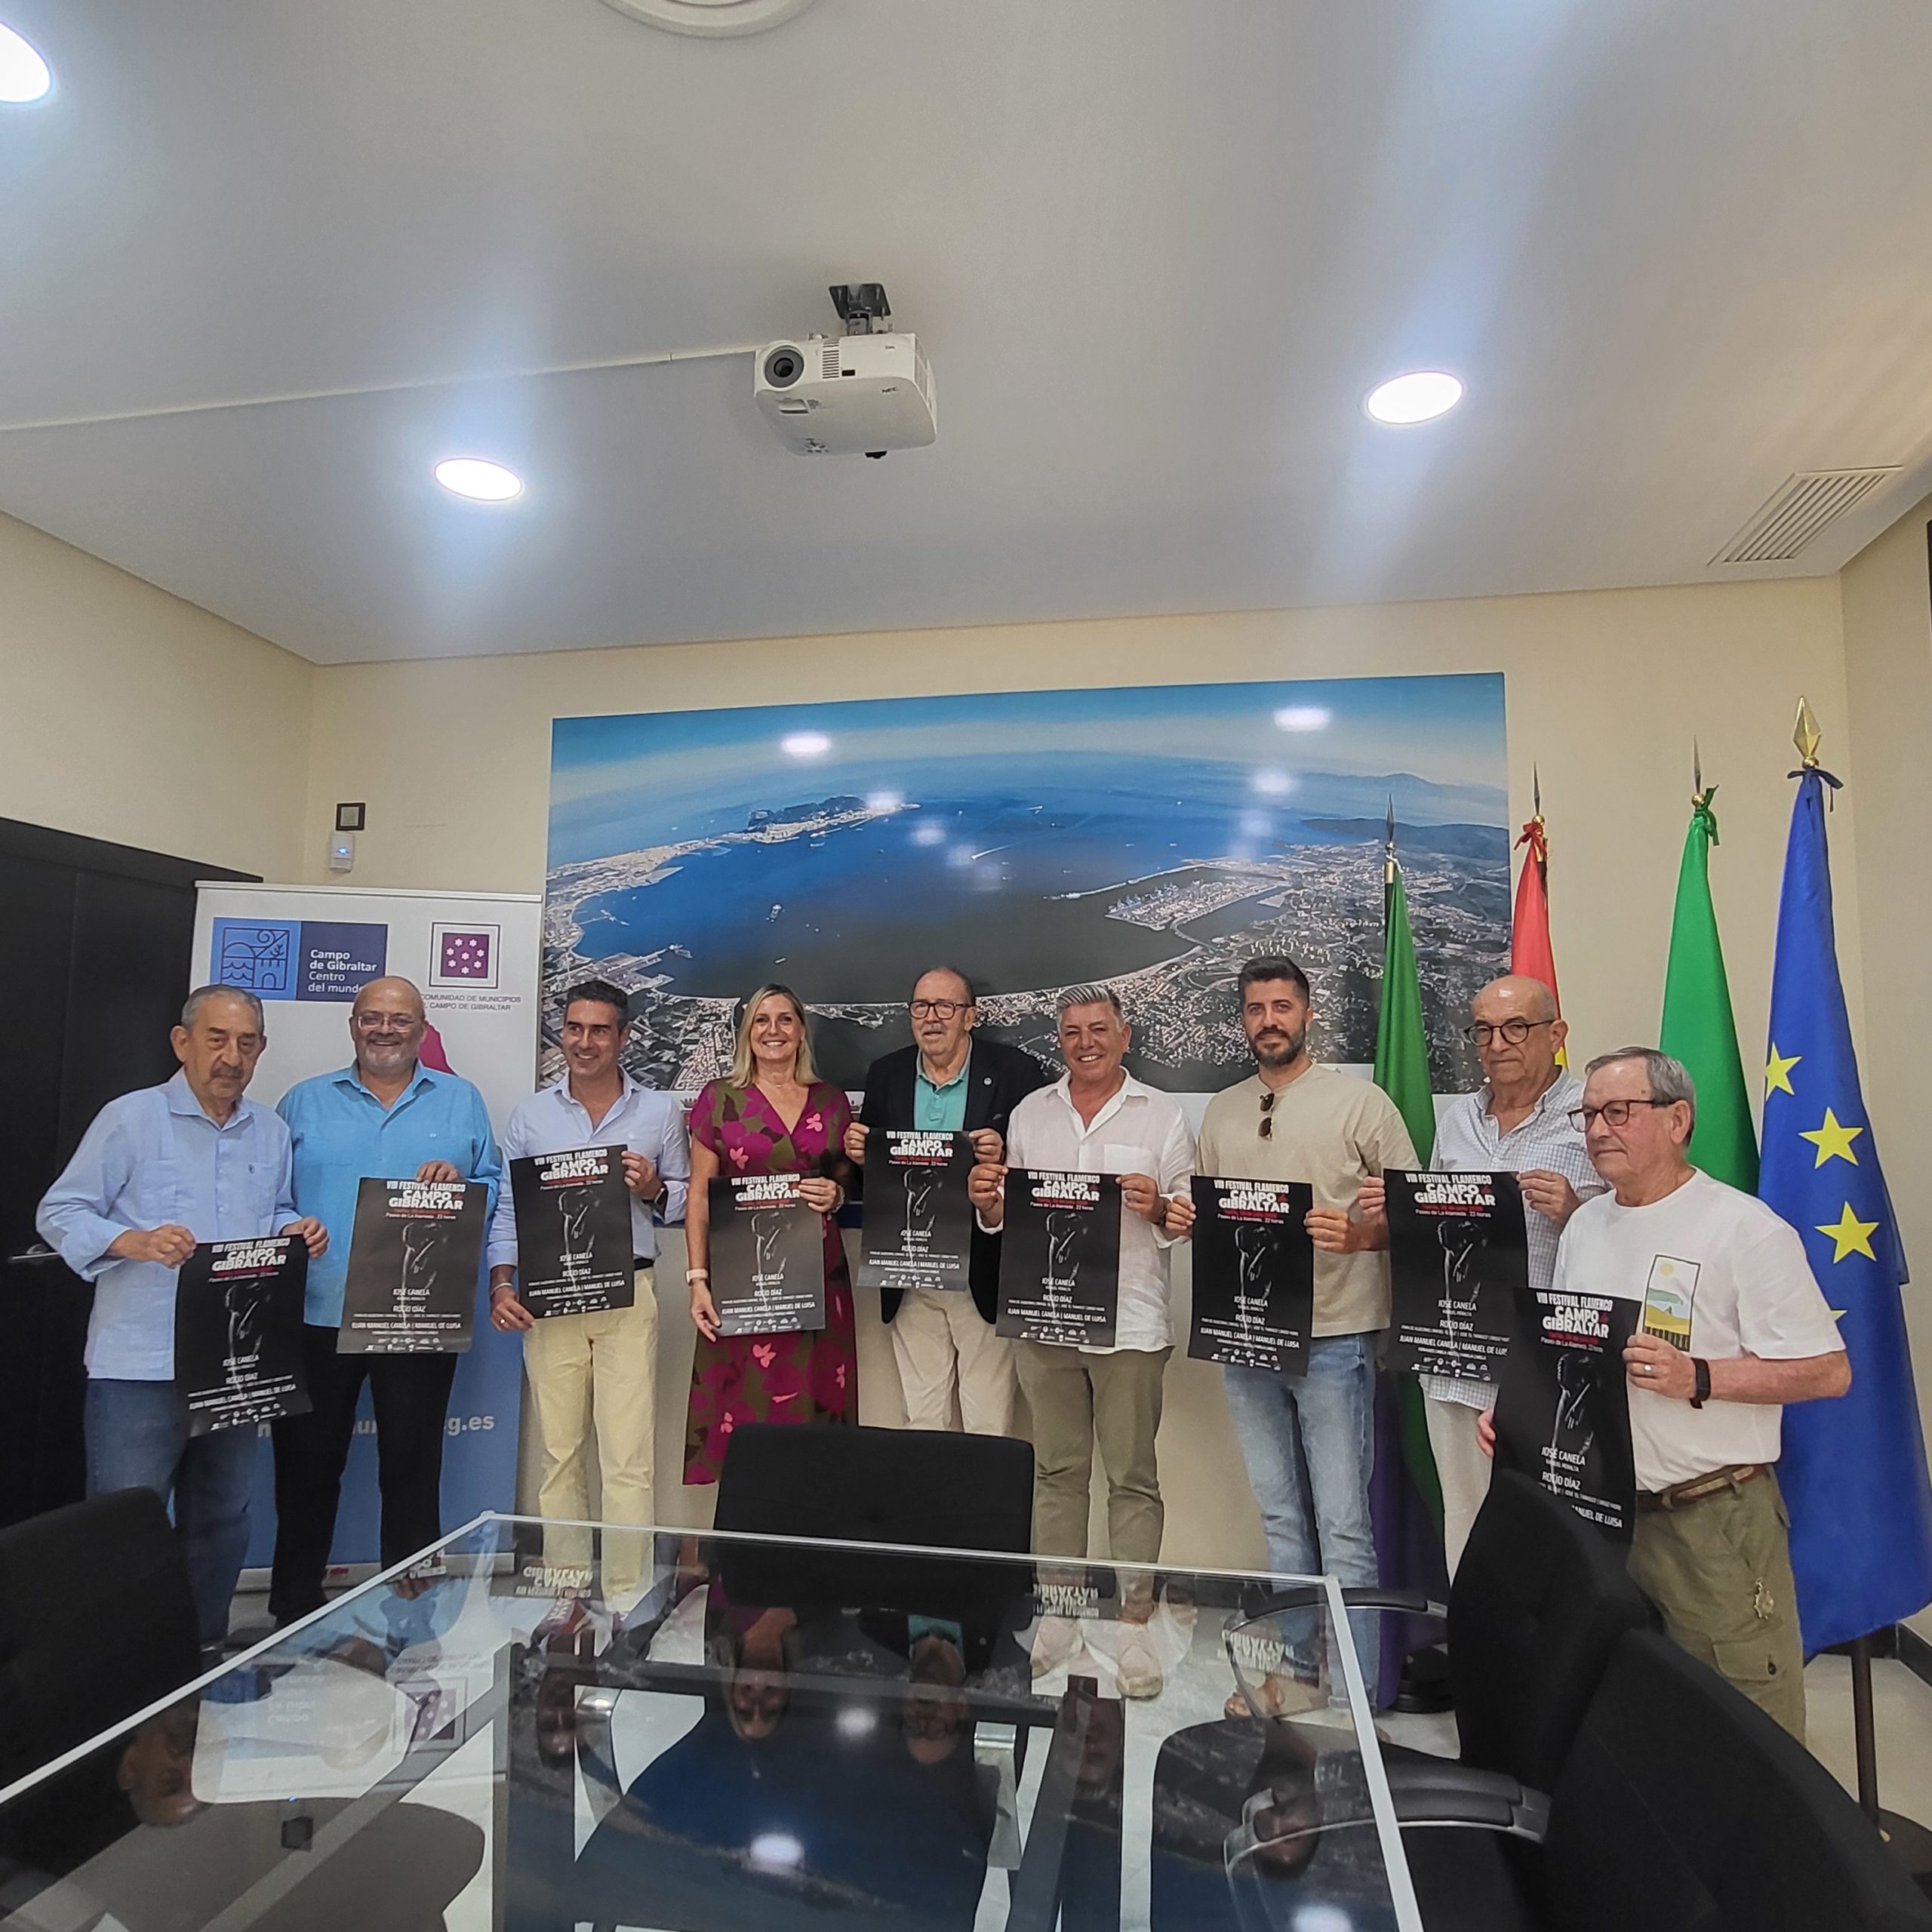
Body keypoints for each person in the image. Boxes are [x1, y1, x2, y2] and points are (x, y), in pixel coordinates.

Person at [1482, 1047, 1850, 1739]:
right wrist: (1518, 1416)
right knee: (1639, 1719)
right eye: (1588, 1114)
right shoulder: (1586, 1225)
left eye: (1619, 1111)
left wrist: (1700, 1376)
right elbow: (1571, 1353)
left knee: (1743, 1727)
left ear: (1677, 1120)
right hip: (1607, 1516)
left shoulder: (1744, 1229)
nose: (1598, 1129)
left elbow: (1827, 1371)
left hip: (1710, 1519)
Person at [36, 986, 328, 1646]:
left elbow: (273, 1210)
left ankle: (204, 1650)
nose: (232, 1057)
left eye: (246, 1043)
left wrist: (294, 1229)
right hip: (140, 1364)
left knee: (223, 1517)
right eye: (217, 1039)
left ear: (261, 1050)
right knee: (125, 1524)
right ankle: (123, 1666)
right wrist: (131, 1241)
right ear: (182, 1042)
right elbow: (60, 1211)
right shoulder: (130, 1118)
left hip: (234, 1365)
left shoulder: (270, 1131)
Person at [1166, 958, 1415, 1710]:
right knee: (1280, 1517)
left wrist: (1362, 1235)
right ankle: (1304, 1672)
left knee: (1343, 1523)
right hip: (1246, 1338)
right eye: (1255, 1008)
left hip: (1334, 1339)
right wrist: (1187, 1218)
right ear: (1242, 1020)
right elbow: (1210, 1211)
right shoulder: (1222, 1111)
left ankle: (1359, 1693)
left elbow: (1416, 1215)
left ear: (1308, 1015)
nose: (1268, 1020)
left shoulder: (1360, 1103)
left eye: (1281, 1006)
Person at [969, 985, 1192, 1697]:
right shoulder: (1030, 1113)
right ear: (1059, 1041)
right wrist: (990, 1206)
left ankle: (1135, 1629)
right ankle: (1059, 1618)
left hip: (1130, 1325)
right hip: (1047, 1321)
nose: (1085, 1042)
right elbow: (1008, 1218)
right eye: (1071, 1032)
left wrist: (1158, 1205)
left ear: (1125, 1036)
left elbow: (1186, 1218)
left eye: (1099, 1029)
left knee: (1132, 1479)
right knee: (1057, 1474)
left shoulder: (1163, 1115)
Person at [270, 975, 503, 1624]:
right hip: (318, 1310)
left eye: (400, 1020)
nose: (384, 1030)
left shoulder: (461, 1101)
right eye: (371, 1017)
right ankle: (293, 1609)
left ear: (422, 1030)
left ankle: (415, 1608)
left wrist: (461, 1184)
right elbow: (268, 1195)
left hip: (417, 1314)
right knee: (307, 1466)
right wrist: (288, 1225)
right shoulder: (303, 1102)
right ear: (353, 1025)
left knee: (413, 1463)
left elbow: (494, 1187)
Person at [1361, 973, 1601, 1575]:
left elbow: (1633, 1233)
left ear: (1557, 1034)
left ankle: (1545, 1641)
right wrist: (1400, 1211)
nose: (1497, 1044)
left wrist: (1576, 1211)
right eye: (1485, 1031)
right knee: (1467, 1527)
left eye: (1516, 1028)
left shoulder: (1592, 1118)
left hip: (1544, 1367)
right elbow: (1439, 1229)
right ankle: (1476, 1636)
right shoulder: (1458, 1121)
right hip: (1456, 1357)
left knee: (1550, 1534)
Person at [487, 979, 690, 1611]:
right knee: (559, 1453)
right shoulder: (531, 1116)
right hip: (550, 1299)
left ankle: (628, 1595)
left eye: (600, 1030)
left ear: (623, 1037)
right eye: (574, 1028)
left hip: (630, 1293)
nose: (584, 1041)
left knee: (628, 1456)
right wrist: (501, 1282)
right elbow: (507, 1211)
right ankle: (567, 1592)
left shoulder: (659, 1113)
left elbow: (686, 1203)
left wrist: (655, 1189)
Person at [842, 967, 1051, 1434]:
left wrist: (1004, 1157)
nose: (931, 1017)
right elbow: (872, 1180)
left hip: (984, 1270)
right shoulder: (887, 1075)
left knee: (988, 1422)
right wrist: (860, 1157)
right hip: (909, 1270)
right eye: (921, 1006)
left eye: (945, 1007)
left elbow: (1039, 1172)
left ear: (970, 1017)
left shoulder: (1015, 1073)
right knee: (921, 1420)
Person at [682, 985, 857, 1482]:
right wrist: (698, 1279)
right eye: (761, 1020)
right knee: (747, 1410)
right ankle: (748, 1524)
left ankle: (809, 1521)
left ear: (801, 1031)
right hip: (743, 1282)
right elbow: (699, 1196)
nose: (773, 1030)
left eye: (785, 1019)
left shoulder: (833, 1102)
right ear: (747, 1032)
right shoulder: (719, 1099)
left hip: (817, 1281)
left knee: (813, 1413)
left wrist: (836, 1196)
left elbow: (845, 1183)